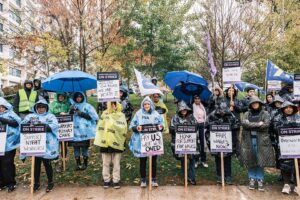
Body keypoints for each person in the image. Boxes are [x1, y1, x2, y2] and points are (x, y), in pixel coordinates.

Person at [21, 100, 59, 192]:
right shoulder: (30, 116)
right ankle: (36, 183)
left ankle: (50, 182)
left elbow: (54, 126)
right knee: (36, 165)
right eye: (39, 107)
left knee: (47, 165)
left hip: (47, 146)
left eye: (43, 107)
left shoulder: (51, 116)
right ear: (36, 108)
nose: (41, 109)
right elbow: (22, 125)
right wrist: (29, 125)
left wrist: (42, 125)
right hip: (35, 145)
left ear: (46, 108)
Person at [240, 96, 275, 192]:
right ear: (251, 104)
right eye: (253, 103)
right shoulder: (247, 113)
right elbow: (244, 124)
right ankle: (251, 178)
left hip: (262, 141)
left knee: (260, 160)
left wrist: (250, 125)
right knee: (251, 159)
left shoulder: (265, 113)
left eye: (256, 102)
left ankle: (260, 179)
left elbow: (266, 125)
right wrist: (258, 124)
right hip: (249, 140)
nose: (255, 104)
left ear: (260, 103)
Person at [129, 96, 164, 188]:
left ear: (151, 104)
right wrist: (136, 128)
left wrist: (161, 127)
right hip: (142, 142)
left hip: (153, 142)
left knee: (153, 161)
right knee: (143, 161)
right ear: (142, 105)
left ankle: (153, 179)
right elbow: (132, 125)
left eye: (148, 104)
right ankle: (143, 179)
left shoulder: (156, 114)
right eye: (145, 104)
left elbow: (162, 124)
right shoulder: (138, 113)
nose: (146, 105)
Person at [95, 102, 127, 189]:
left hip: (117, 141)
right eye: (111, 104)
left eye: (114, 104)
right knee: (105, 162)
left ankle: (116, 180)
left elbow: (123, 128)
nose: (113, 106)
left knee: (116, 163)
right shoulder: (104, 114)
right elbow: (100, 127)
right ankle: (106, 180)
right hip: (105, 142)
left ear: (117, 105)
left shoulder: (121, 115)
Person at [206, 99, 236, 184]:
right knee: (218, 159)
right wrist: (215, 124)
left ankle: (228, 176)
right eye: (221, 111)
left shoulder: (230, 115)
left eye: (224, 111)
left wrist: (229, 126)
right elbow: (206, 125)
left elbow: (236, 124)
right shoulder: (212, 115)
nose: (222, 113)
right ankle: (219, 176)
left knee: (227, 160)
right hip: (216, 141)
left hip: (227, 141)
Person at [273, 101, 300, 194]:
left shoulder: (298, 117)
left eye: (290, 107)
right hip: (284, 146)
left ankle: (297, 185)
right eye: (286, 107)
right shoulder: (278, 118)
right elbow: (275, 129)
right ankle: (286, 184)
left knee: (298, 165)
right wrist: (288, 126)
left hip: (297, 145)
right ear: (283, 109)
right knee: (285, 165)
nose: (289, 109)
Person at [169, 101, 198, 185]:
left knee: (192, 160)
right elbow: (171, 129)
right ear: (179, 110)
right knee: (183, 160)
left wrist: (189, 128)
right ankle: (185, 177)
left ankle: (192, 177)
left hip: (190, 142)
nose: (184, 111)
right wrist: (180, 128)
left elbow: (196, 127)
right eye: (182, 109)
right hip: (181, 143)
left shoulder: (191, 117)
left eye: (185, 109)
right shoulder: (175, 118)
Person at [69, 92, 98, 171]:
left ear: (83, 97)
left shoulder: (88, 106)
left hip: (85, 132)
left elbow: (94, 117)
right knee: (76, 148)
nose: (78, 99)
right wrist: (71, 111)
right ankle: (78, 163)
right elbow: (68, 118)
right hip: (75, 131)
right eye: (77, 97)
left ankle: (85, 163)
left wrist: (81, 113)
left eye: (80, 97)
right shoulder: (72, 106)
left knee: (85, 147)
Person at [0, 97, 21, 192]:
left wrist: (3, 119)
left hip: (9, 144)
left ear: (5, 107)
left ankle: (11, 183)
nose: (0, 108)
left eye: (1, 107)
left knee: (7, 163)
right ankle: (2, 182)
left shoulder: (11, 114)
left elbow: (17, 123)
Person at [49, 92, 70, 171]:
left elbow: (70, 114)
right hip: (55, 130)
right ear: (57, 97)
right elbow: (49, 114)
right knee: (55, 146)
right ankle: (56, 163)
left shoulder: (66, 105)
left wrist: (67, 114)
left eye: (62, 96)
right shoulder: (52, 104)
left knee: (64, 146)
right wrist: (58, 114)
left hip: (64, 129)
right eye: (60, 96)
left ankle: (63, 162)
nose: (61, 97)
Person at [224, 86, 243, 156]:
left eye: (232, 91)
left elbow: (241, 109)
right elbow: (221, 111)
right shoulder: (224, 100)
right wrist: (228, 110)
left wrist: (234, 105)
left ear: (234, 92)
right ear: (227, 91)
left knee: (236, 138)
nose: (231, 92)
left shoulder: (237, 100)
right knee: (228, 137)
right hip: (226, 122)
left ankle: (237, 152)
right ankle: (229, 150)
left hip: (236, 122)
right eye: (229, 90)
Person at [192, 94, 208, 168]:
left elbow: (205, 116)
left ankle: (203, 160)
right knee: (196, 143)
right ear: (194, 99)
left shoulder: (202, 106)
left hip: (202, 125)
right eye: (195, 99)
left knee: (202, 143)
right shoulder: (191, 107)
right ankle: (196, 160)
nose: (197, 100)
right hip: (195, 126)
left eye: (198, 98)